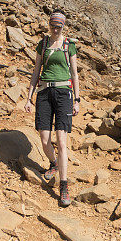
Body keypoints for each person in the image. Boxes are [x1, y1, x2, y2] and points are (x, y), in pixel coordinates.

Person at [24, 10, 80, 207]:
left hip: (64, 93)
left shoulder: (69, 45)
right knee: (44, 137)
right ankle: (54, 164)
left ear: (63, 27)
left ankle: (63, 186)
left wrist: (77, 99)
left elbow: (74, 73)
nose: (55, 29)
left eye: (59, 27)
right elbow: (36, 71)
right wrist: (29, 97)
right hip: (45, 93)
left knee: (61, 141)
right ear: (49, 25)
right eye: (53, 26)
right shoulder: (44, 44)